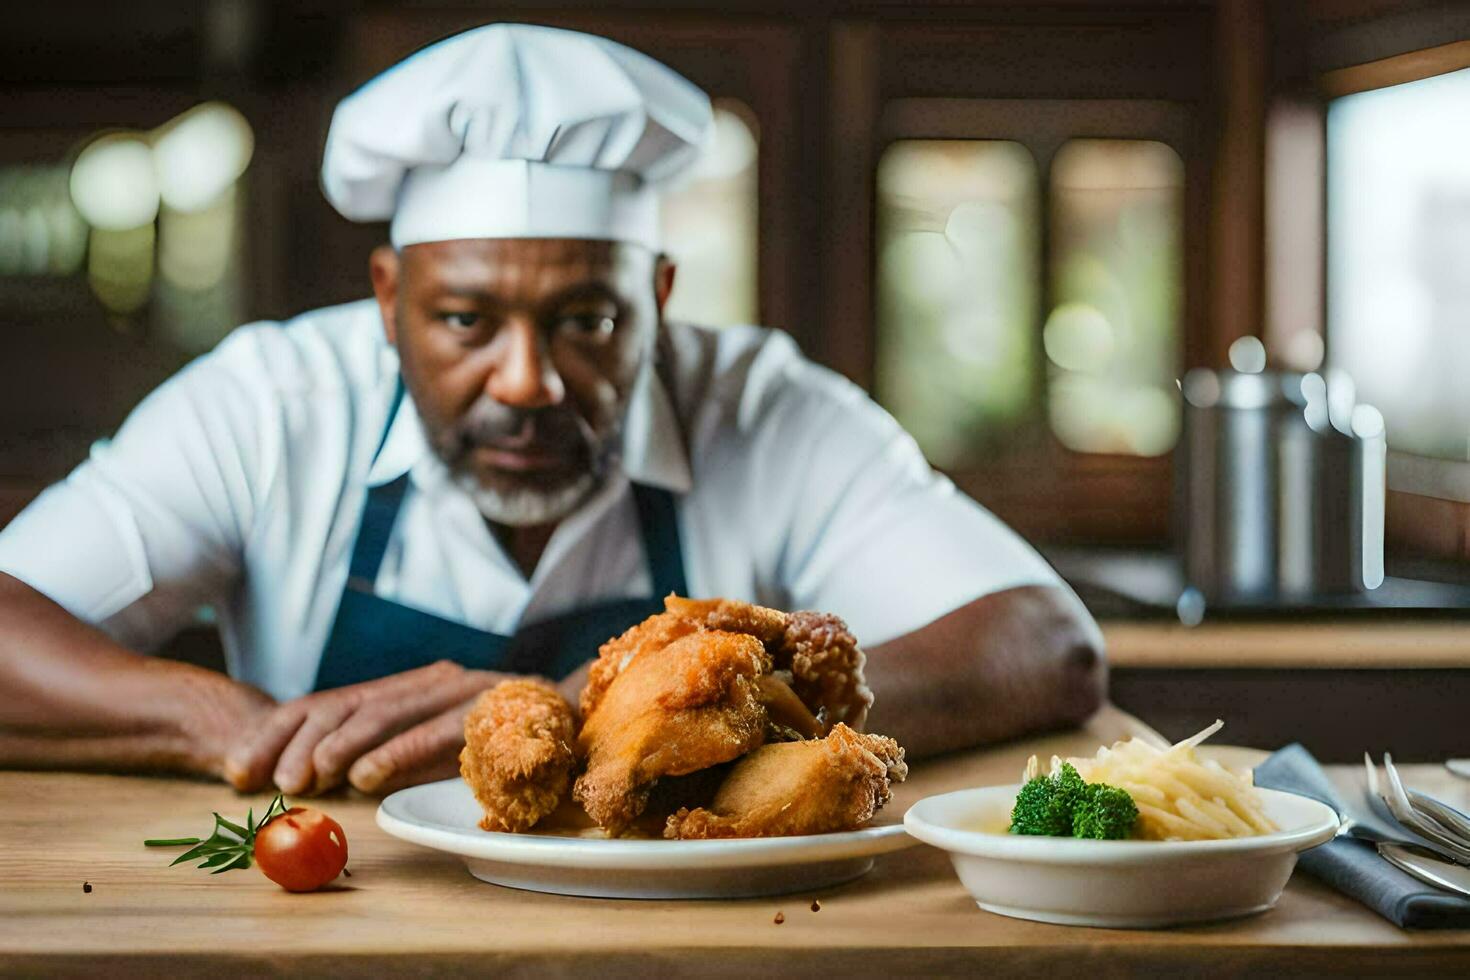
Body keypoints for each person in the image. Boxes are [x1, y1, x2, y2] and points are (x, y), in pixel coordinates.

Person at [0, 24, 1104, 798]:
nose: (528, 380)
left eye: (587, 320)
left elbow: (1045, 643)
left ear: (659, 298)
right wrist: (225, 726)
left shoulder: (765, 407)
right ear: (390, 300)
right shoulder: (268, 402)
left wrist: (608, 707)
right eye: (468, 323)